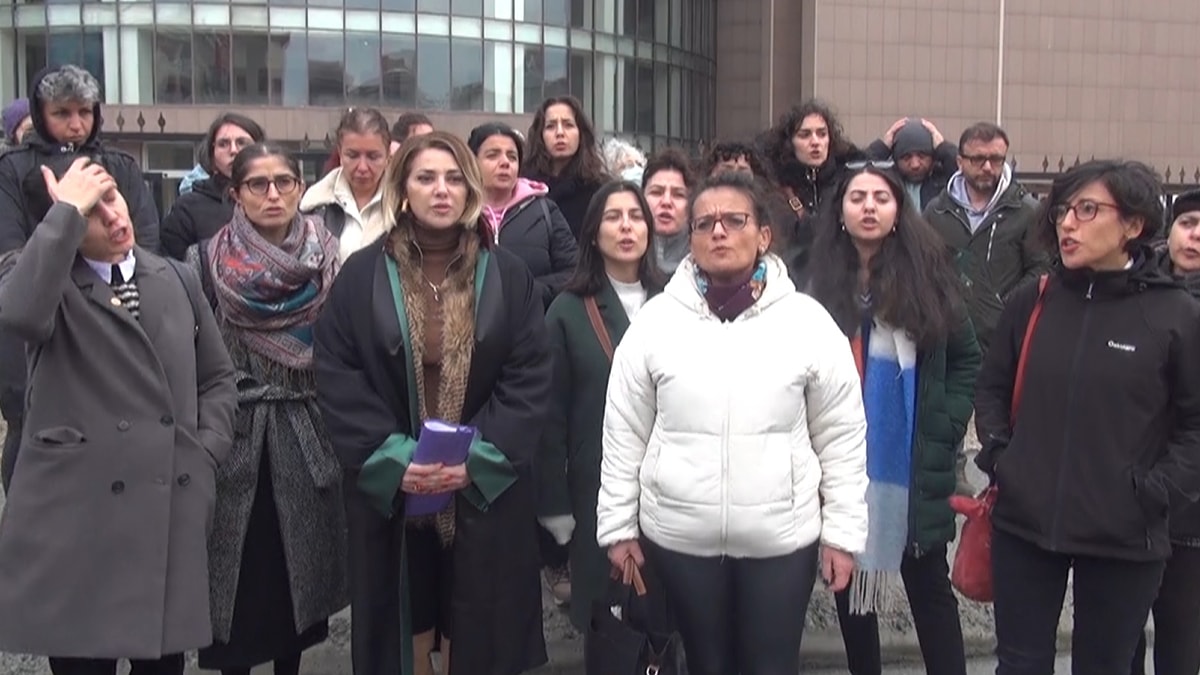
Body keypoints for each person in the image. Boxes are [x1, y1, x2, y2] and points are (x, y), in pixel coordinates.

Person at [597, 171, 869, 675]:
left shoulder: (807, 323)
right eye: (704, 223)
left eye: (734, 220)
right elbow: (623, 434)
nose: (718, 231)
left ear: (763, 235)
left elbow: (842, 437)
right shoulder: (657, 323)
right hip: (681, 540)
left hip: (780, 543)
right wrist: (618, 528)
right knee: (705, 665)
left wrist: (842, 534)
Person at [313, 131, 552, 675]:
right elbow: (339, 372)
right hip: (395, 493)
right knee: (404, 627)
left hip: (484, 489)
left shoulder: (509, 275)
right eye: (426, 178)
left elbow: (529, 375)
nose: (441, 190)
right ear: (403, 190)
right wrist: (396, 458)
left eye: (453, 179)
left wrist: (477, 458)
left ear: (470, 190)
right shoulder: (361, 276)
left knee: (481, 630)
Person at [0, 157, 237, 675]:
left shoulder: (175, 276)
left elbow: (218, 377)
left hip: (165, 504)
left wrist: (205, 451)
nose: (112, 216)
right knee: (83, 662)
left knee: (162, 664)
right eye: (90, 210)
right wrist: (66, 211)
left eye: (111, 197)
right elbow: (18, 314)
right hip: (79, 519)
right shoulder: (46, 282)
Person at [975, 160, 1200, 675]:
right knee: (1020, 665)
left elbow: (1195, 424)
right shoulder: (1034, 300)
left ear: (1133, 225)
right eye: (1062, 211)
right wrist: (1004, 458)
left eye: (1087, 210)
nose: (1067, 224)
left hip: (1124, 535)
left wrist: (1155, 492)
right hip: (1025, 524)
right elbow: (991, 388)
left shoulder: (1176, 315)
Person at [807, 164, 981, 675]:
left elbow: (968, 358)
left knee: (929, 589)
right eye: (857, 197)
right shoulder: (817, 286)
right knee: (849, 585)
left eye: (881, 198)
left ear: (898, 212)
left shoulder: (929, 279)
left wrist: (944, 423)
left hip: (911, 464)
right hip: (841, 460)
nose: (868, 207)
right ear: (840, 212)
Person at [185, 144, 347, 675]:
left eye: (285, 182)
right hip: (233, 436)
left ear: (301, 188)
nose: (273, 194)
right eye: (258, 184)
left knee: (294, 578)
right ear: (236, 193)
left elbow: (347, 349)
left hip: (304, 433)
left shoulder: (327, 257)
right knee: (233, 577)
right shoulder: (204, 262)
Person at [537, 179, 666, 631]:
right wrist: (554, 504)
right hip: (595, 489)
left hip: (674, 489)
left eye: (635, 217)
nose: (626, 227)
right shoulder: (567, 311)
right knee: (611, 628)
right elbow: (549, 417)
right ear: (593, 233)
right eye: (613, 217)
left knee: (672, 623)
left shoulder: (677, 302)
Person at [1131, 188, 1200, 675]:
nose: (1196, 236)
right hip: (1131, 490)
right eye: (1189, 223)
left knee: (1181, 632)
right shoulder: (1135, 290)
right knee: (1122, 632)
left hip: (1191, 503)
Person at [468, 122, 578, 308]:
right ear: (472, 162)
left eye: (512, 157)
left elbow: (573, 272)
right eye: (492, 155)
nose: (505, 163)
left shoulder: (544, 210)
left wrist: (530, 291)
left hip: (533, 318)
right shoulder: (459, 213)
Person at [161, 113, 266, 260]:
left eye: (242, 143)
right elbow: (170, 265)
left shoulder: (278, 197)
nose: (233, 150)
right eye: (223, 144)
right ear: (212, 156)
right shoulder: (188, 208)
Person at [300, 108, 391, 262]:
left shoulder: (406, 205)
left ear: (388, 156)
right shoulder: (314, 206)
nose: (362, 167)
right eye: (353, 156)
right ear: (340, 154)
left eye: (373, 157)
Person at [522, 95, 610, 238]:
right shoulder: (524, 188)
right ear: (540, 135)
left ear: (581, 133)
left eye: (568, 125)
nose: (560, 133)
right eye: (550, 126)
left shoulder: (600, 189)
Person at [864, 118, 957, 211]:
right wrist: (882, 147)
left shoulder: (943, 180)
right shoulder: (889, 181)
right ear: (896, 160)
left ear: (932, 157)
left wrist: (943, 147)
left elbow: (961, 170)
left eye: (921, 156)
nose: (915, 165)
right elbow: (860, 171)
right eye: (906, 158)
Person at [641, 148, 694, 275]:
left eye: (678, 194)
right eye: (656, 192)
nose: (666, 202)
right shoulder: (623, 260)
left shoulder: (704, 263)